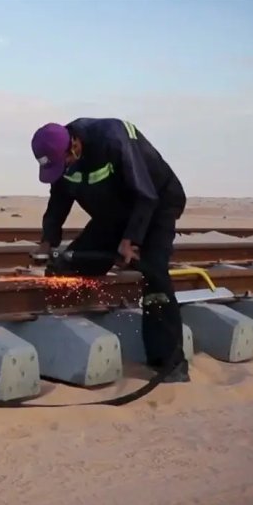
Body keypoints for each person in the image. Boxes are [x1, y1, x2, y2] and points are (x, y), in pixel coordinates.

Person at [29, 118, 190, 383]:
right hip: (114, 213)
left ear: (75, 144)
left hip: (156, 205)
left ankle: (170, 363)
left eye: (64, 163)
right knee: (71, 265)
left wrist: (131, 239)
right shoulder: (62, 157)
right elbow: (59, 200)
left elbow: (145, 195)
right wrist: (48, 240)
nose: (64, 169)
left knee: (155, 276)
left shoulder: (113, 139)